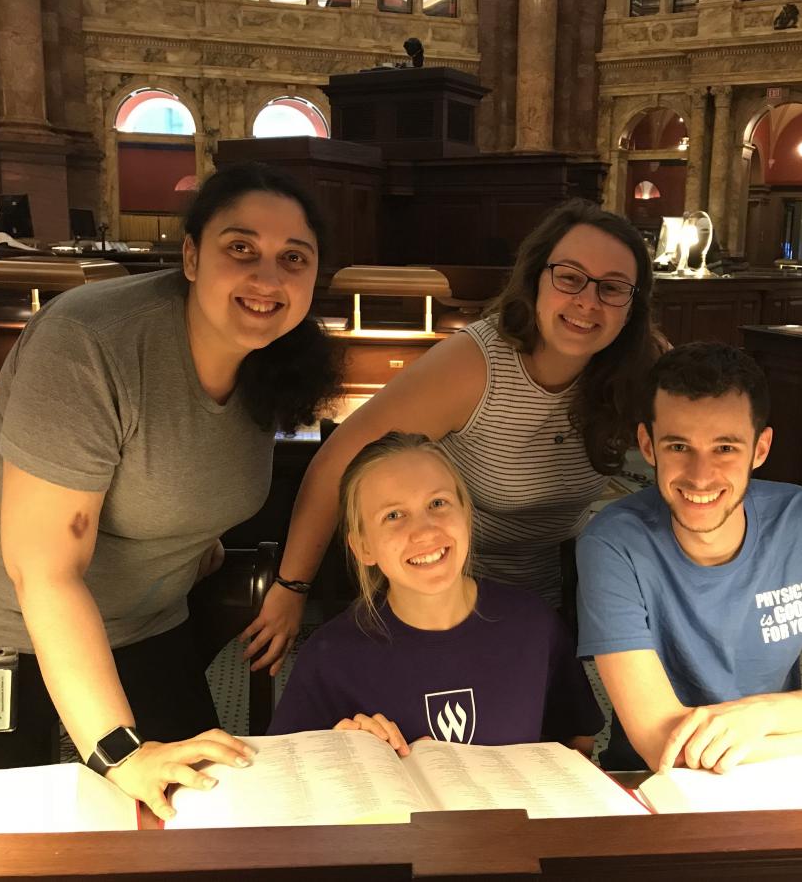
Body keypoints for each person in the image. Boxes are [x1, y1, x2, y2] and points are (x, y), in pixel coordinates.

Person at [0, 162, 343, 821]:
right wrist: (117, 751)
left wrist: (190, 541)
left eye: (293, 258)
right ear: (191, 255)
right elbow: (44, 570)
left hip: (142, 622)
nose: (267, 277)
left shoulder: (276, 361)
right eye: (240, 248)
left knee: (191, 813)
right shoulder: (91, 342)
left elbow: (174, 475)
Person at [245, 199, 666, 675]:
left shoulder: (638, 369)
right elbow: (339, 460)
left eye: (612, 288)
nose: (587, 301)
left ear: (632, 308)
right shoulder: (476, 364)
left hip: (541, 605)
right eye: (569, 277)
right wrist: (291, 588)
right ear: (536, 279)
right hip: (432, 591)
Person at [576, 343, 802, 773]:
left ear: (760, 449)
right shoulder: (612, 543)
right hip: (655, 785)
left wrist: (759, 715)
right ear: (647, 447)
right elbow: (662, 749)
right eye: (678, 447)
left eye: (725, 448)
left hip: (786, 767)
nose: (701, 474)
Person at [268, 432, 603, 753]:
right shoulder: (330, 655)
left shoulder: (534, 625)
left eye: (438, 503)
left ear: (466, 515)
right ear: (363, 547)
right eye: (394, 515)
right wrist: (338, 749)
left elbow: (578, 739)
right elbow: (287, 776)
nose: (424, 530)